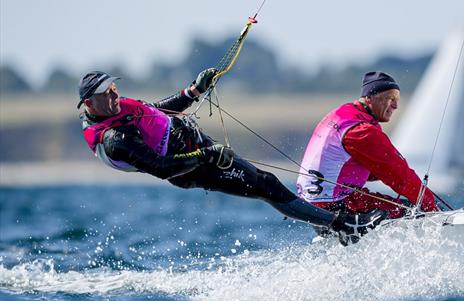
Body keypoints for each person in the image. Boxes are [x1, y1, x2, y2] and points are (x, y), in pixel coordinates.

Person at [77, 70, 384, 243]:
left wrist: (194, 91)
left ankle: (329, 226)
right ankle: (344, 226)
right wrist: (206, 156)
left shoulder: (117, 107)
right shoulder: (115, 140)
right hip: (191, 169)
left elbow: (154, 114)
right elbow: (162, 168)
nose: (115, 96)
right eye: (106, 95)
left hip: (198, 149)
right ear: (90, 103)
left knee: (267, 182)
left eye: (114, 89)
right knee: (267, 185)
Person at [296, 71, 439, 219]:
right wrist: (432, 208)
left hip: (315, 204)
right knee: (413, 211)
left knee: (405, 205)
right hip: (338, 206)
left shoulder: (343, 114)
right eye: (391, 98)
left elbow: (357, 169)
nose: (396, 105)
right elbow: (399, 175)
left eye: (397, 99)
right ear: (369, 98)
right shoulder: (362, 131)